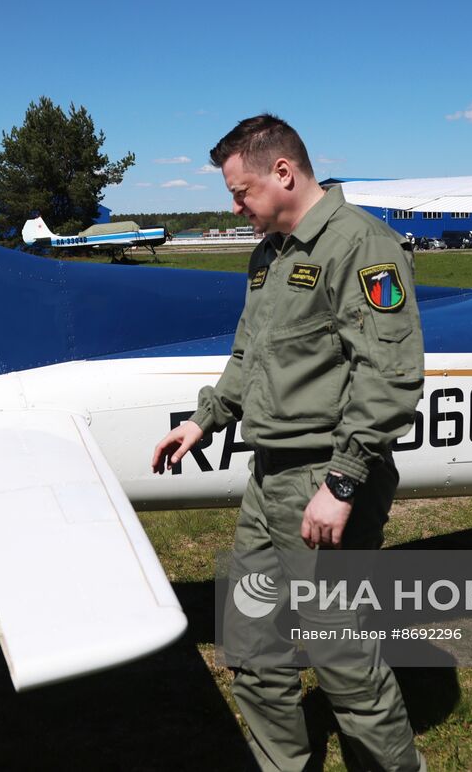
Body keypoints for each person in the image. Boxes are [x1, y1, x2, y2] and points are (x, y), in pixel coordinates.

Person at [151, 115, 427, 772]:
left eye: (240, 191)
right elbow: (250, 356)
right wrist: (205, 419)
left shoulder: (361, 245)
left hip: (325, 479)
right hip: (267, 478)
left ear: (283, 172)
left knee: (341, 658)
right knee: (250, 643)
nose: (235, 205)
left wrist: (342, 484)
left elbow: (389, 375)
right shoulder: (269, 255)